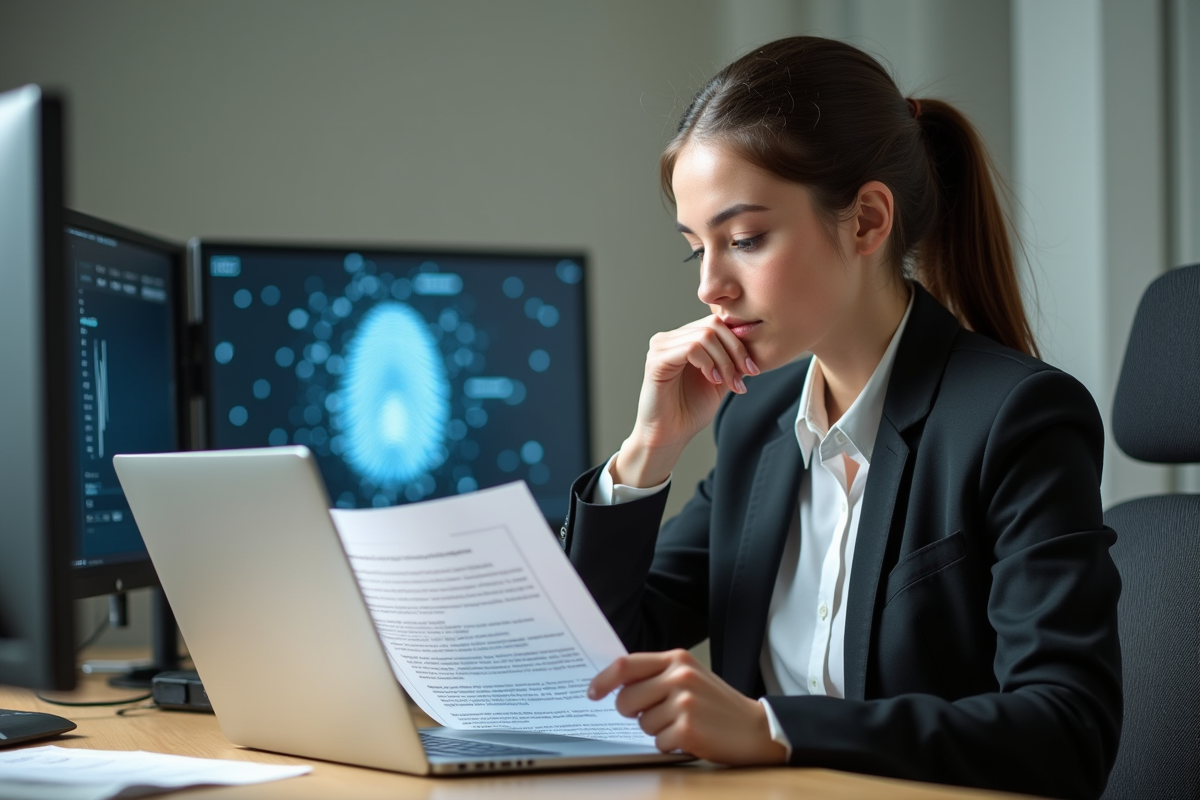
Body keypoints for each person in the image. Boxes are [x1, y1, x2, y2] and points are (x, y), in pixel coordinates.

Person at [560, 36, 1122, 800]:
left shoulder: (1017, 418)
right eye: (697, 250)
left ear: (865, 221)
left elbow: (1066, 732)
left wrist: (774, 729)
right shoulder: (756, 425)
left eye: (746, 239)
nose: (711, 287)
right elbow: (599, 658)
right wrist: (647, 451)